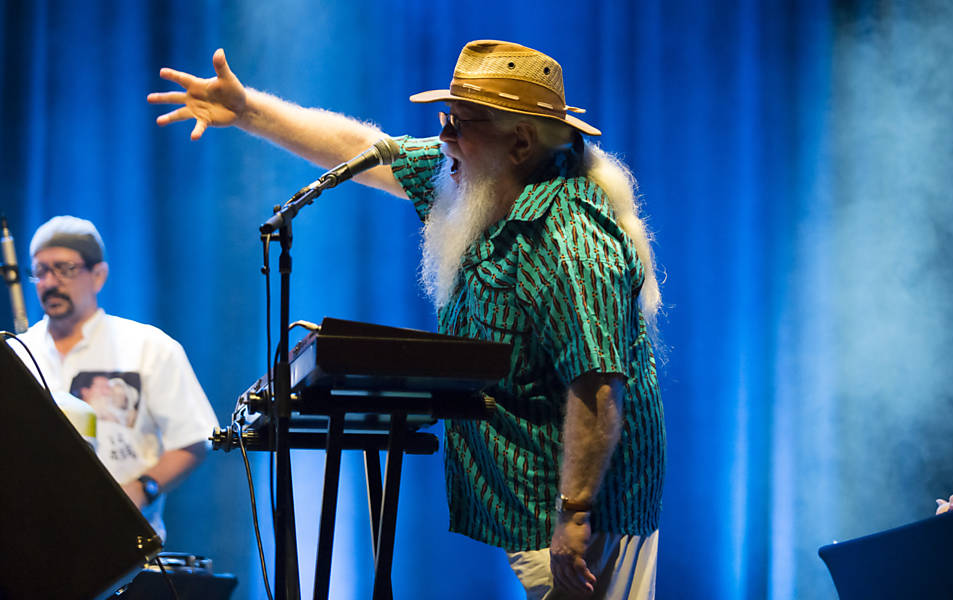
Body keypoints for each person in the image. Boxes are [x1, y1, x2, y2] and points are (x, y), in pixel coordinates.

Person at [150, 39, 666, 598]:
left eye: (461, 123)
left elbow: (597, 388)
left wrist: (575, 513)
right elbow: (365, 149)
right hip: (533, 495)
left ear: (519, 141)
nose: (444, 136)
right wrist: (249, 110)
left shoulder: (570, 242)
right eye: (446, 119)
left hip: (591, 507)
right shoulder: (472, 178)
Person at [11, 215, 219, 543]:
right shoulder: (17, 354)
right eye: (41, 271)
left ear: (98, 275)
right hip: (31, 542)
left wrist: (141, 489)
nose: (51, 282)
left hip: (122, 542)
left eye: (65, 268)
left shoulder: (149, 347)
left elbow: (193, 440)